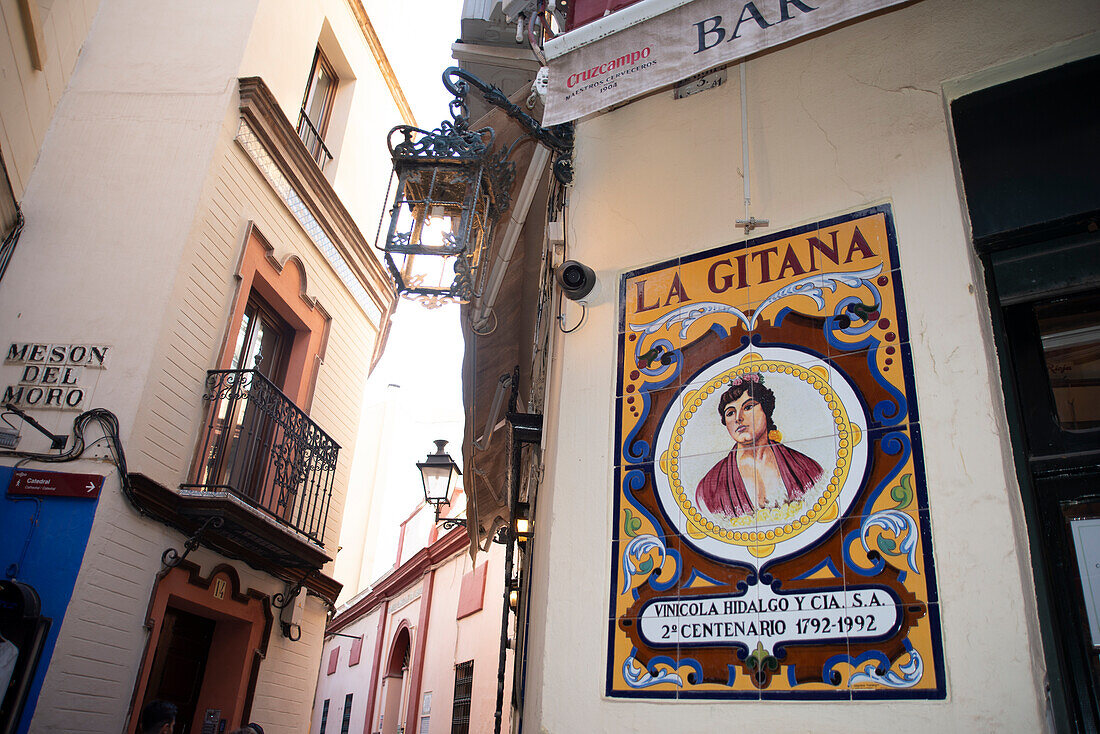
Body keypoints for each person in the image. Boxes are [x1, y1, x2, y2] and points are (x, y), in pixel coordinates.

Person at [695, 373, 823, 517]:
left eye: (748, 407)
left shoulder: (806, 469)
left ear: (766, 411)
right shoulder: (708, 489)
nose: (738, 418)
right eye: (730, 413)